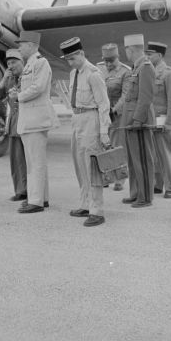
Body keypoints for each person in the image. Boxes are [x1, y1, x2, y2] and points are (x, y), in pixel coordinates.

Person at [60, 37, 111, 227]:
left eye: (73, 58)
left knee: (92, 167)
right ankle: (85, 204)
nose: (70, 62)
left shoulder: (93, 74)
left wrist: (104, 130)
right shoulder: (74, 73)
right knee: (79, 165)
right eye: (67, 59)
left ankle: (97, 211)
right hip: (77, 119)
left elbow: (104, 104)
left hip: (91, 119)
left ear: (81, 53)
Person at [11, 30, 58, 214]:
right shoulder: (30, 64)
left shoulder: (41, 63)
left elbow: (38, 87)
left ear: (31, 45)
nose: (19, 47)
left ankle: (36, 201)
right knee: (35, 161)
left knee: (35, 163)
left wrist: (18, 96)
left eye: (21, 44)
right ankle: (42, 198)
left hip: (36, 120)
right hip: (30, 120)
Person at [119, 34, 156, 208]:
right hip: (130, 121)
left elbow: (146, 97)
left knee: (142, 159)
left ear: (131, 49)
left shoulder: (145, 67)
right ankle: (136, 193)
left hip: (139, 122)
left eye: (126, 49)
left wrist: (137, 120)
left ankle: (146, 197)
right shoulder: (136, 68)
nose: (125, 52)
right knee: (134, 160)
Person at [146, 41, 171, 199]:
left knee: (165, 156)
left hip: (163, 121)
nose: (148, 56)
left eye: (150, 54)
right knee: (154, 156)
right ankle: (157, 185)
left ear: (159, 55)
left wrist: (170, 123)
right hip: (151, 121)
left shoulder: (169, 73)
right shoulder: (149, 72)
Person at [0, 49, 27, 201]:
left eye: (14, 62)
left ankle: (34, 192)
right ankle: (20, 190)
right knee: (16, 160)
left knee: (30, 160)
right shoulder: (9, 80)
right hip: (14, 124)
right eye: (8, 64)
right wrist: (2, 81)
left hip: (29, 122)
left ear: (22, 62)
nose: (11, 66)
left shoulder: (28, 77)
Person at [97, 43, 131, 191]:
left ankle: (120, 179)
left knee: (117, 146)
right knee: (103, 145)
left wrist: (114, 110)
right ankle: (106, 175)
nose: (108, 64)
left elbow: (126, 95)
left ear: (118, 57)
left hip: (116, 115)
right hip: (101, 114)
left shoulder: (125, 72)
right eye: (106, 60)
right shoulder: (99, 68)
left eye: (111, 60)